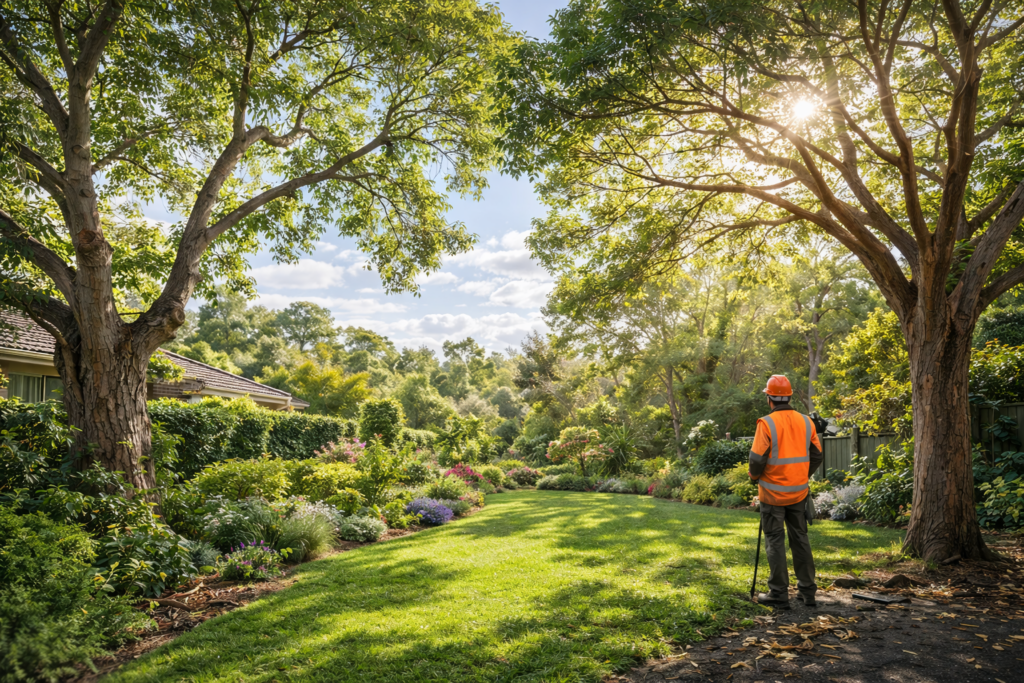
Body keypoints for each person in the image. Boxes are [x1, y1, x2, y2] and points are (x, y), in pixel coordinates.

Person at [748, 374, 823, 607]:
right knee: (800, 539)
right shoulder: (806, 422)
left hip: (772, 495)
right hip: (798, 493)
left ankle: (779, 593)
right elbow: (817, 455)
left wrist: (753, 477)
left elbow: (756, 460)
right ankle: (807, 592)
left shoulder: (766, 423)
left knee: (775, 541)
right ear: (789, 397)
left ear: (769, 398)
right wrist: (801, 475)